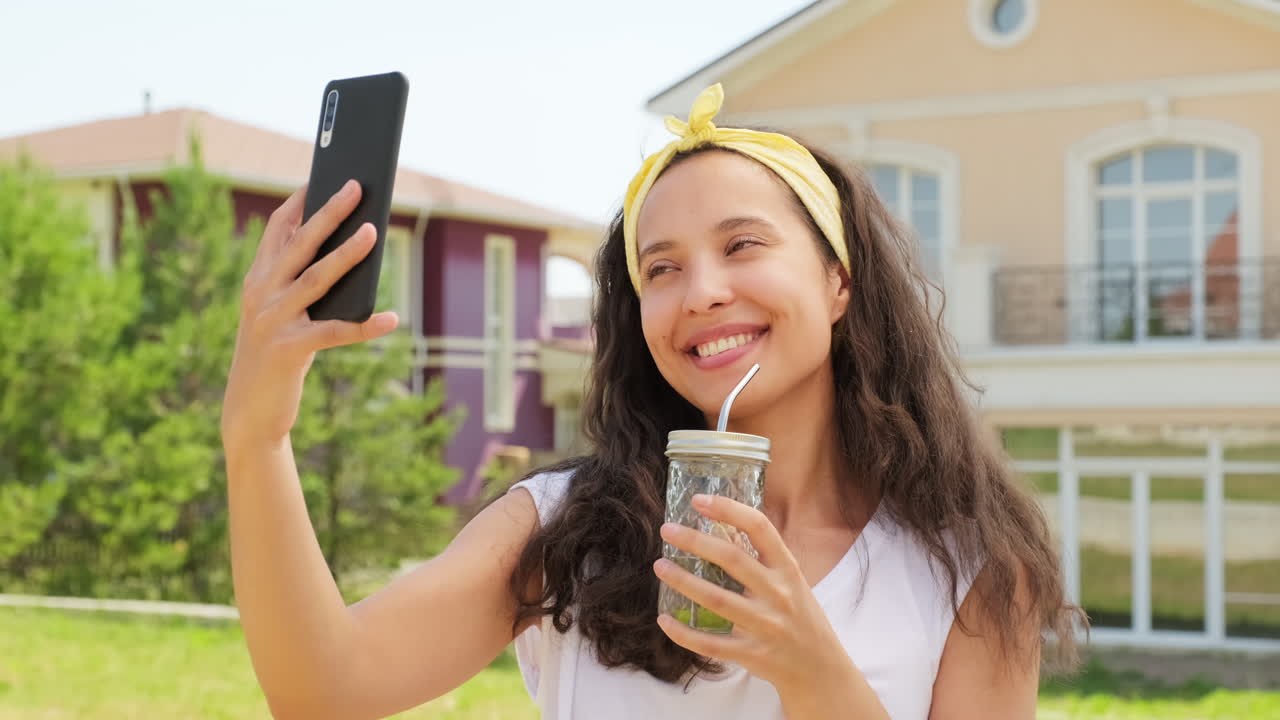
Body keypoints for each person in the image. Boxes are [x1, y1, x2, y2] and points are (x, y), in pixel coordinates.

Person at [221, 83, 1084, 720]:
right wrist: (257, 438)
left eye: (742, 244)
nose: (701, 293)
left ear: (838, 282)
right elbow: (320, 690)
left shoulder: (966, 567)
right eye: (661, 269)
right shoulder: (560, 529)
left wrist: (813, 671)